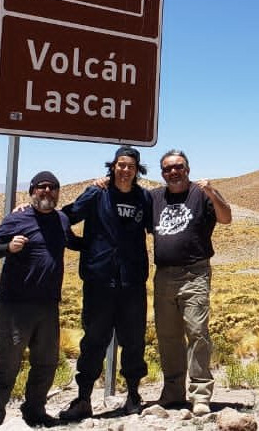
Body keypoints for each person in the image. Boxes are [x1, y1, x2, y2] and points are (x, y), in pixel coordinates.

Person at [59, 146, 153, 421]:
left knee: (134, 341)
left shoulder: (143, 198)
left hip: (132, 282)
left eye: (131, 166)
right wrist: (81, 245)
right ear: (112, 167)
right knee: (94, 341)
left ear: (137, 170)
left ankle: (133, 394)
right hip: (99, 282)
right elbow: (66, 216)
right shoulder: (97, 194)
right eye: (121, 165)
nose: (125, 170)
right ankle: (83, 398)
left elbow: (155, 227)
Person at [0, 171, 70, 428]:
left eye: (52, 187)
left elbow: (74, 242)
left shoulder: (61, 220)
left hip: (48, 305)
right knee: (6, 363)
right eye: (41, 187)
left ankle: (34, 411)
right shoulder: (17, 219)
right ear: (32, 191)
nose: (47, 191)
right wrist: (8, 248)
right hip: (15, 306)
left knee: (46, 362)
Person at [150, 149, 232, 415]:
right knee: (167, 336)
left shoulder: (200, 194)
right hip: (163, 275)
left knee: (197, 333)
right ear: (162, 173)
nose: (173, 172)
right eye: (168, 169)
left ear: (187, 168)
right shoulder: (154, 198)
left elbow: (226, 217)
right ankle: (173, 392)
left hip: (194, 274)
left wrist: (213, 192)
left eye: (178, 167)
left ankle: (200, 394)